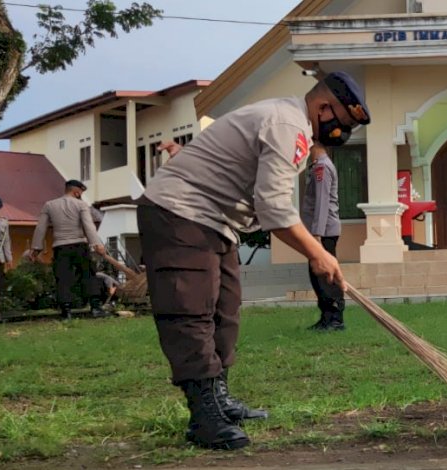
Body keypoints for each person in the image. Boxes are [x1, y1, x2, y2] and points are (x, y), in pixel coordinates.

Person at [137, 71, 370, 450]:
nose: (340, 135)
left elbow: (264, 200)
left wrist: (317, 252)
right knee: (191, 309)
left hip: (217, 220)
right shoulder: (288, 125)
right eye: (341, 125)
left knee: (225, 309)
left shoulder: (293, 126)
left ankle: (220, 397)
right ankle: (204, 415)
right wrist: (318, 254)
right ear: (324, 108)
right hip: (179, 210)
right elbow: (276, 208)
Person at [26, 181, 109, 319]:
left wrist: (36, 248)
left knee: (63, 279)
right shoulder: (81, 204)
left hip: (60, 247)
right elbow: (88, 226)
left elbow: (40, 228)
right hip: (79, 245)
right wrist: (97, 244)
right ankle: (95, 308)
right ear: (76, 192)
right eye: (81, 193)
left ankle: (66, 312)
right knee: (88, 275)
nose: (81, 195)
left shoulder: (49, 205)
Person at [301, 142, 346, 331]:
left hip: (324, 231)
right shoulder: (317, 166)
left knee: (325, 276)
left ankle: (335, 318)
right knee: (317, 275)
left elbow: (322, 203)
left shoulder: (322, 167)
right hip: (320, 230)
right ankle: (327, 316)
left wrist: (317, 234)